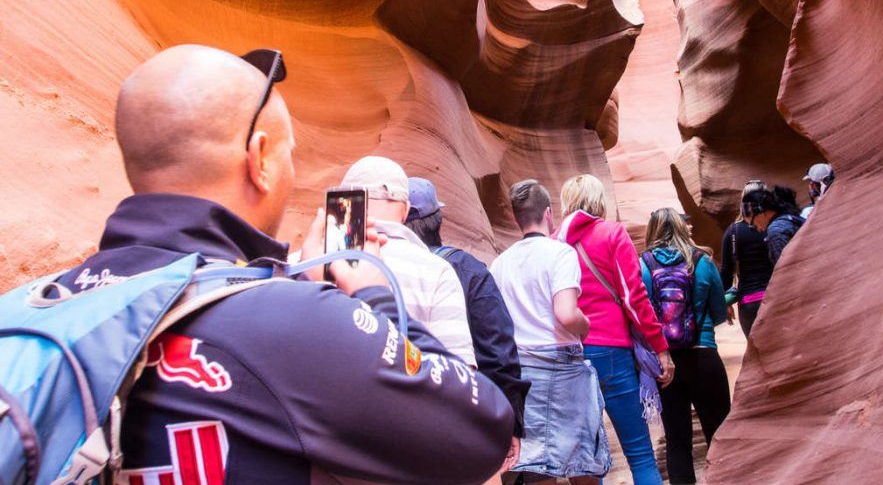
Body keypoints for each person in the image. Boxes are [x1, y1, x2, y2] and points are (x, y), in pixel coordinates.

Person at [53, 45, 512, 485]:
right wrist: (372, 295)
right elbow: (482, 426)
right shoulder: (299, 319)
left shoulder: (47, 303)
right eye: (287, 153)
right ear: (260, 160)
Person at [405, 176, 530, 479]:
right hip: (468, 420)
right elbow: (500, 354)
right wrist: (510, 423)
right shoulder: (470, 271)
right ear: (439, 219)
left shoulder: (372, 269)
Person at [490, 179, 610, 484]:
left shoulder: (500, 263)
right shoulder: (560, 254)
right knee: (583, 463)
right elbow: (566, 314)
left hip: (522, 372)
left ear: (517, 218)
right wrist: (585, 325)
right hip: (563, 368)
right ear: (548, 213)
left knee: (536, 468)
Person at [558, 174, 671, 485]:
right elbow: (634, 298)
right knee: (640, 455)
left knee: (585, 462)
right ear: (599, 201)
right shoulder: (611, 234)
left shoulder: (555, 243)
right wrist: (660, 348)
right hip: (612, 353)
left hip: (570, 356)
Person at [338, 156, 477, 366]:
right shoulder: (437, 272)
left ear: (341, 199)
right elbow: (461, 371)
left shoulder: (304, 263)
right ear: (405, 210)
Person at [641, 209, 730, 485]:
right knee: (719, 433)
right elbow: (718, 312)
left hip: (666, 363)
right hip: (703, 356)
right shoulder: (702, 261)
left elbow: (642, 315)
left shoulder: (643, 265)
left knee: (677, 441)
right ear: (682, 227)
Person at [719, 180, 773, 337]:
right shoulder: (775, 227)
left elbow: (726, 272)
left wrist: (724, 301)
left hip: (749, 302)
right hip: (775, 297)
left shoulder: (733, 231)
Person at [743, 185, 805, 266]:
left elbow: (786, 269)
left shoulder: (776, 231)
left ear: (761, 212)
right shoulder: (791, 217)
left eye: (753, 224)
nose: (758, 229)